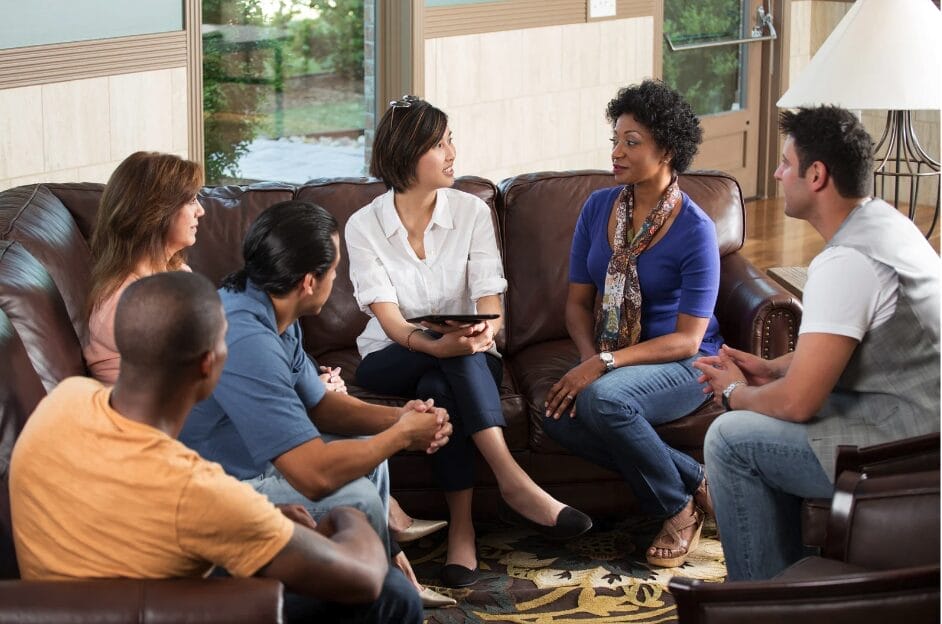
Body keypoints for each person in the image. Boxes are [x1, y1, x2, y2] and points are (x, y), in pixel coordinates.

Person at [10, 271, 422, 623]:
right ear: (210, 363)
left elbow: (135, 500)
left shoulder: (65, 400)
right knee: (391, 594)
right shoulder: (195, 490)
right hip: (151, 611)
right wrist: (346, 515)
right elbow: (362, 577)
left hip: (62, 602)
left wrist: (265, 518)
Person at [345, 95, 592, 589]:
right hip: (388, 357)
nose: (453, 151)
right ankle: (514, 483)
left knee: (445, 375)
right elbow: (390, 321)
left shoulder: (472, 212)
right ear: (407, 154)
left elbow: (490, 302)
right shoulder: (364, 225)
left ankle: (463, 530)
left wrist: (484, 331)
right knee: (442, 357)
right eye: (440, 143)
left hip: (468, 356)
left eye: (450, 138)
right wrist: (435, 342)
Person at [693, 105, 940, 581]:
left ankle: (762, 603)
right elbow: (855, 342)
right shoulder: (884, 222)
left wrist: (733, 394)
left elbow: (798, 404)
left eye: (786, 163)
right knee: (756, 413)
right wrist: (777, 368)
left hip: (909, 446)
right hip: (922, 417)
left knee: (730, 438)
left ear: (817, 175)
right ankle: (794, 575)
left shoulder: (847, 261)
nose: (777, 173)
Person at [178, 200, 455, 607]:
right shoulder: (245, 335)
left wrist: (401, 417)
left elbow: (321, 404)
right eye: (335, 269)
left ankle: (381, 577)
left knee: (368, 453)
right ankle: (383, 592)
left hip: (254, 459)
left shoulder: (271, 309)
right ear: (309, 282)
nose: (337, 278)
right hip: (218, 486)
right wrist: (400, 437)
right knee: (357, 495)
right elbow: (313, 475)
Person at [541, 79, 722, 569]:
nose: (617, 152)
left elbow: (687, 339)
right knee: (554, 415)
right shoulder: (597, 207)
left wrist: (603, 366)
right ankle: (696, 478)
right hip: (610, 356)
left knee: (604, 399)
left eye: (632, 141)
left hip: (688, 362)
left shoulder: (696, 231)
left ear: (666, 150)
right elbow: (577, 305)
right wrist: (589, 361)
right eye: (615, 140)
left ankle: (677, 509)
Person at [84, 151, 205, 384]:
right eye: (191, 200)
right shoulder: (124, 303)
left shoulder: (176, 273)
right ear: (157, 212)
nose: (201, 211)